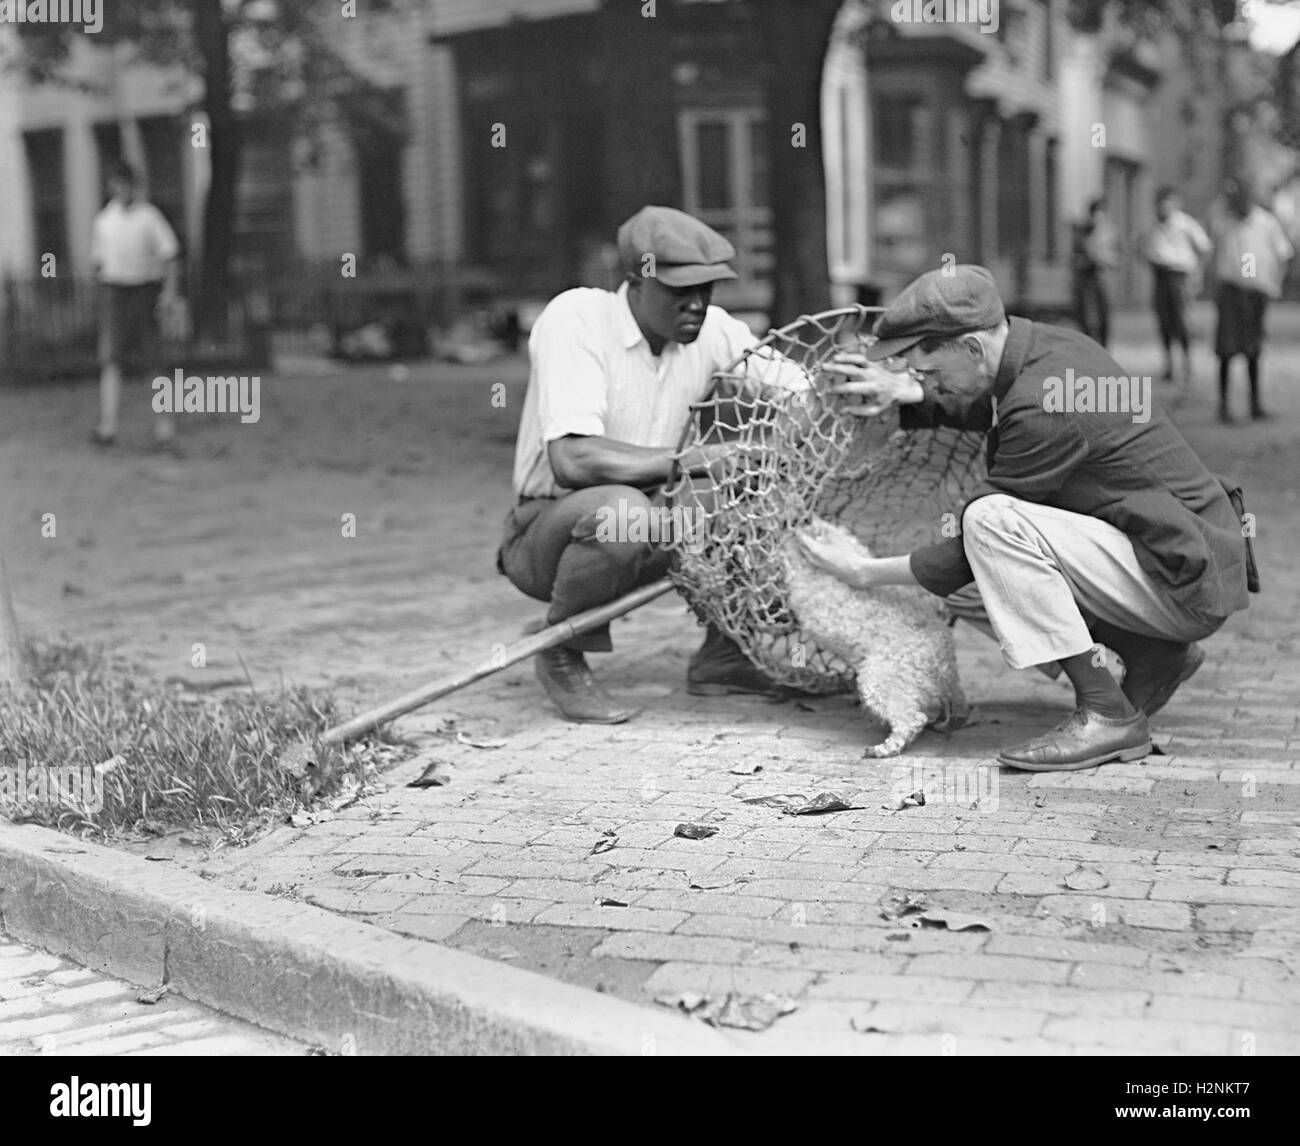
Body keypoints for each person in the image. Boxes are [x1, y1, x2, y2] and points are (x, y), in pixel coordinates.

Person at [795, 264, 1251, 772]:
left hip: (1181, 581)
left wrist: (860, 571)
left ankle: (1108, 713)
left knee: (989, 524)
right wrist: (915, 396)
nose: (927, 382)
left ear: (971, 348)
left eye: (931, 372)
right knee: (971, 579)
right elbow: (1006, 408)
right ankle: (1153, 654)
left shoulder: (1042, 401)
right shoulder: (1049, 350)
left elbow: (973, 540)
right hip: (1176, 559)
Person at [499, 205, 802, 724]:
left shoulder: (714, 331)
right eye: (680, 290)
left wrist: (852, 390)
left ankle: (724, 656)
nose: (697, 304)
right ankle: (561, 648)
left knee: (740, 491)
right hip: (550, 533)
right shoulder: (577, 318)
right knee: (627, 510)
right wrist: (701, 458)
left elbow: (800, 391)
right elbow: (572, 460)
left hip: (657, 526)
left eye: (706, 289)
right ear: (636, 279)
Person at [89, 161, 184, 451]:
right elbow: (97, 263)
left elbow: (170, 257)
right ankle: (108, 426)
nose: (123, 189)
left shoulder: (150, 217)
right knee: (111, 359)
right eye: (118, 183)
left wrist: (169, 293)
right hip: (115, 294)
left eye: (128, 183)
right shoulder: (104, 220)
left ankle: (164, 426)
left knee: (154, 361)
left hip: (144, 292)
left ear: (136, 186)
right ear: (111, 187)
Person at [1212, 178, 1294, 423]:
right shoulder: (1225, 221)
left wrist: (1275, 284)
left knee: (1253, 348)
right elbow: (1212, 233)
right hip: (1230, 291)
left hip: (1255, 294)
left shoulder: (1266, 223)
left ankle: (1255, 404)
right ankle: (1224, 405)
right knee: (1225, 349)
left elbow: (1284, 254)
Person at [1144, 186, 1210, 390]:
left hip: (1179, 276)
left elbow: (1205, 248)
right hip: (1160, 276)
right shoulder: (1152, 225)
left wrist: (1197, 274)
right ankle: (1169, 365)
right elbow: (1142, 248)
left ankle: (1187, 364)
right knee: (1163, 321)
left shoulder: (1185, 224)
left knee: (1182, 321)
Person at [1072, 198, 1120, 348]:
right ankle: (1089, 349)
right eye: (1095, 214)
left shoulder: (1112, 233)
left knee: (1105, 317)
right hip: (1087, 280)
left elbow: (1120, 257)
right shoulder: (1082, 234)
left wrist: (1105, 259)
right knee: (1087, 319)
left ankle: (1105, 349)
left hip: (1104, 279)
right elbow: (1075, 258)